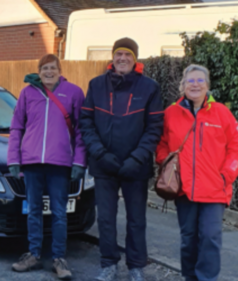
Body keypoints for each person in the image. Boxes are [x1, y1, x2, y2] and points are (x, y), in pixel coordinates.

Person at [79, 38, 164, 281]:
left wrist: (137, 158)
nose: (122, 58)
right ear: (112, 57)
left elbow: (154, 127)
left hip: (135, 168)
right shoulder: (96, 85)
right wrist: (100, 154)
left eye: (128, 54)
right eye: (119, 54)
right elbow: (86, 123)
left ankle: (136, 266)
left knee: (136, 220)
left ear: (135, 59)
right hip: (104, 166)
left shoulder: (150, 87)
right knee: (106, 219)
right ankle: (108, 263)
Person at [156, 64, 238, 281]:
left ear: (207, 85)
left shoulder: (222, 113)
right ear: (183, 85)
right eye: (190, 80)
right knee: (189, 239)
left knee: (211, 237)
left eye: (200, 80)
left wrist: (227, 175)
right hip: (184, 189)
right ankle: (190, 277)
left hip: (215, 189)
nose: (195, 84)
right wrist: (165, 164)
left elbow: (236, 147)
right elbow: (162, 144)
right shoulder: (171, 113)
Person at [7, 54, 87, 280]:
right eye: (44, 69)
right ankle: (33, 254)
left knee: (59, 213)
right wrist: (14, 159)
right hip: (32, 162)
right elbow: (16, 128)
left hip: (60, 163)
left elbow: (81, 131)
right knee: (33, 210)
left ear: (59, 70)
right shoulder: (27, 93)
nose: (49, 72)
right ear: (39, 72)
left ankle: (59, 258)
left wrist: (79, 162)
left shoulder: (73, 93)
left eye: (52, 68)